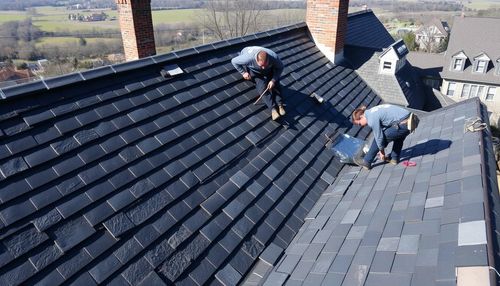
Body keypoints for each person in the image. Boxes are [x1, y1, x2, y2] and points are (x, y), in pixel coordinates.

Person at [351, 104, 411, 170]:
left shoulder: (371, 119)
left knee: (379, 138)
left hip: (404, 124)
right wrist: (380, 148)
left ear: (362, 116)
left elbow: (379, 137)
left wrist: (382, 152)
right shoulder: (372, 111)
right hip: (410, 120)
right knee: (397, 136)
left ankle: (367, 161)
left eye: (359, 123)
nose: (361, 126)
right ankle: (394, 158)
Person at [231, 46, 285, 120]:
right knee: (262, 88)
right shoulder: (248, 58)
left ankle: (280, 104)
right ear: (256, 60)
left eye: (265, 65)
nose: (263, 67)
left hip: (269, 70)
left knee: (275, 85)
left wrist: (273, 80)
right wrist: (243, 73)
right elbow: (234, 61)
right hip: (255, 71)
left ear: (268, 60)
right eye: (261, 65)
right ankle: (273, 109)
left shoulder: (273, 57)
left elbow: (280, 67)